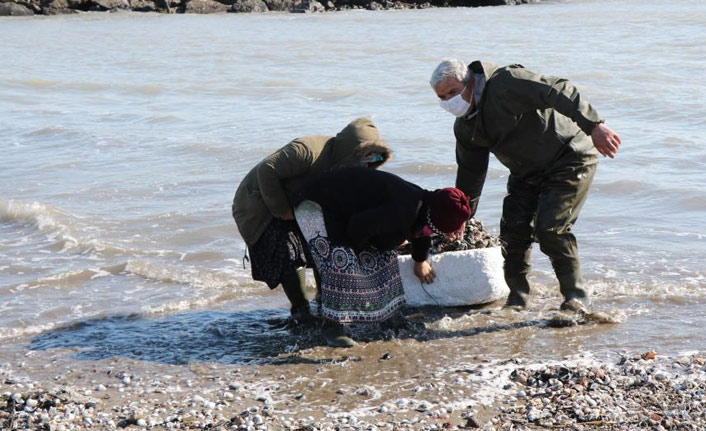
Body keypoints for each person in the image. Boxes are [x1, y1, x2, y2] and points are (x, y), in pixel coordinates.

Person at [429, 59, 622, 312]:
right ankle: (517, 301)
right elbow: (470, 173)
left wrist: (594, 125)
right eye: (442, 97)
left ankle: (576, 298)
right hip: (526, 171)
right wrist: (462, 214)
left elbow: (556, 89)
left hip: (569, 157)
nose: (449, 101)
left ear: (471, 82)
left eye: (453, 92)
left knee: (551, 229)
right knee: (512, 234)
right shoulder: (466, 127)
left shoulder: (506, 83)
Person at [232, 118, 391, 325]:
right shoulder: (307, 150)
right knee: (288, 246)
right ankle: (301, 311)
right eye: (364, 157)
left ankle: (324, 300)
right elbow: (267, 170)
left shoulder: (349, 170)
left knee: (327, 240)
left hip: (298, 205)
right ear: (349, 152)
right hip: (258, 204)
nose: (367, 164)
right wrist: (284, 212)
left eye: (374, 158)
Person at [294, 167, 471, 347]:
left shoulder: (424, 204)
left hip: (347, 212)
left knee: (384, 257)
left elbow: (422, 229)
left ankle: (388, 316)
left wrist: (420, 260)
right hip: (314, 204)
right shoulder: (403, 210)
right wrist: (356, 258)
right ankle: (332, 326)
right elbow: (359, 227)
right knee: (342, 259)